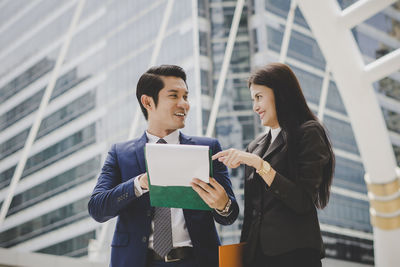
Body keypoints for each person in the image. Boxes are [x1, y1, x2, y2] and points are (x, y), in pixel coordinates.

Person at [88, 65, 239, 267]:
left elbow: (230, 216)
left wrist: (223, 204)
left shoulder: (208, 148)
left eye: (186, 96)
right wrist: (139, 184)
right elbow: (97, 209)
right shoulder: (120, 154)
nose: (184, 104)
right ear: (148, 101)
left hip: (196, 261)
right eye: (174, 96)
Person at [213, 63, 335, 267]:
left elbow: (303, 201)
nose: (255, 107)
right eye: (253, 100)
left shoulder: (308, 133)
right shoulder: (255, 146)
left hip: (295, 255)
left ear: (280, 94)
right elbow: (252, 212)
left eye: (259, 97)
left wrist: (260, 165)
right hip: (256, 257)